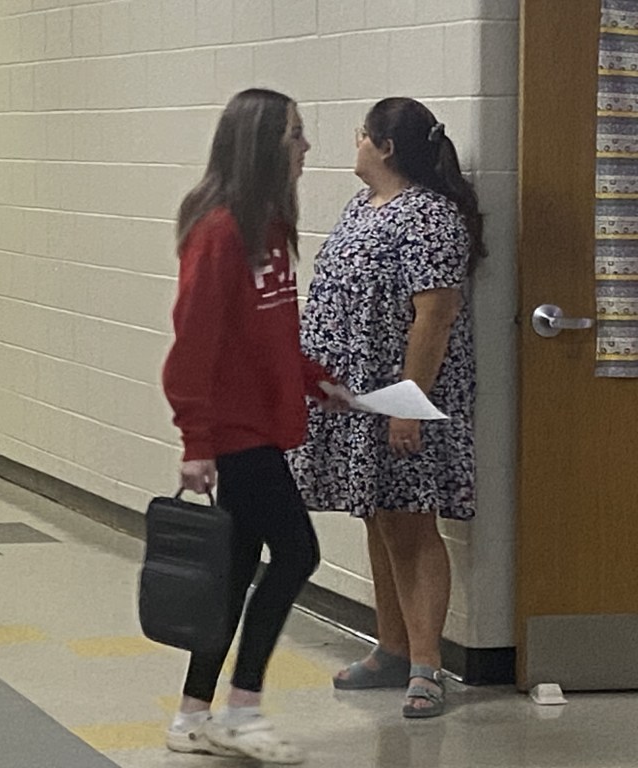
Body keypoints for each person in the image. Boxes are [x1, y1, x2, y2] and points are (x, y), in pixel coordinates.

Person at [161, 88, 345, 765]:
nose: (305, 147)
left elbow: (265, 334)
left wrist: (313, 379)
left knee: (237, 571)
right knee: (297, 554)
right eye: (296, 134)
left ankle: (191, 716)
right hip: (236, 432)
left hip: (261, 424)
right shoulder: (219, 233)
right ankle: (242, 710)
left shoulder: (268, 229)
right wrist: (196, 442)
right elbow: (192, 346)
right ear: (263, 144)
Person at [289, 97, 485, 718]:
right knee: (379, 515)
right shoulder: (364, 205)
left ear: (386, 147)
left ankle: (427, 665)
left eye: (362, 136)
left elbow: (436, 314)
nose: (356, 144)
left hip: (406, 395)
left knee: (410, 521)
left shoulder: (429, 216)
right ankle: (393, 648)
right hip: (361, 395)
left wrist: (409, 404)